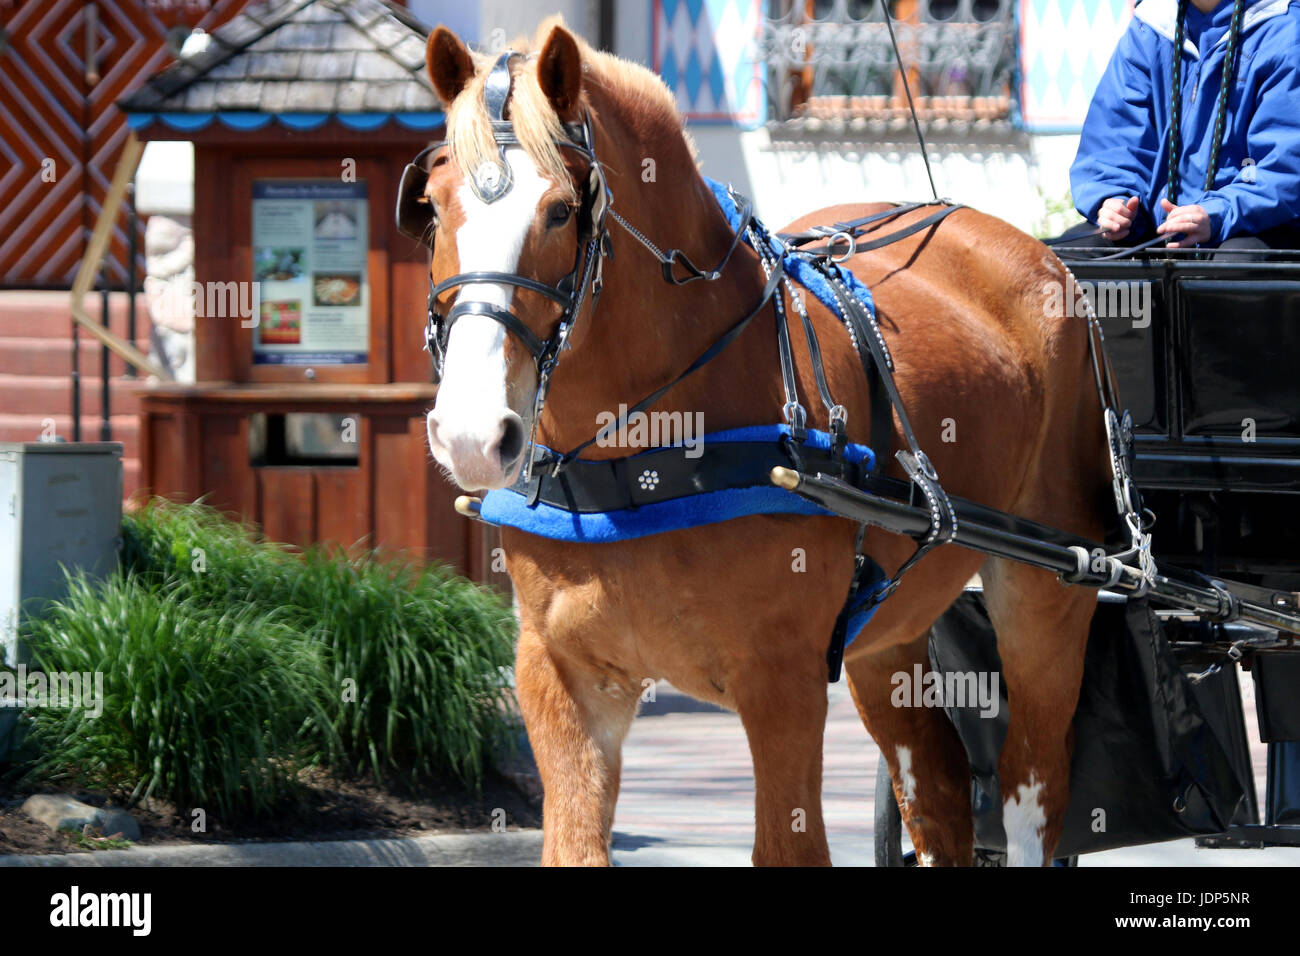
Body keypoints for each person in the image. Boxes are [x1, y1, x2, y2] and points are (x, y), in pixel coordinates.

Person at [1056, 0, 1300, 257]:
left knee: (1235, 267)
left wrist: (1218, 212)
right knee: (1065, 260)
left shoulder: (1286, 29)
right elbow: (1114, 143)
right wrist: (1115, 201)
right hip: (1157, 227)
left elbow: (1285, 166)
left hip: (1255, 225)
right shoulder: (1150, 26)